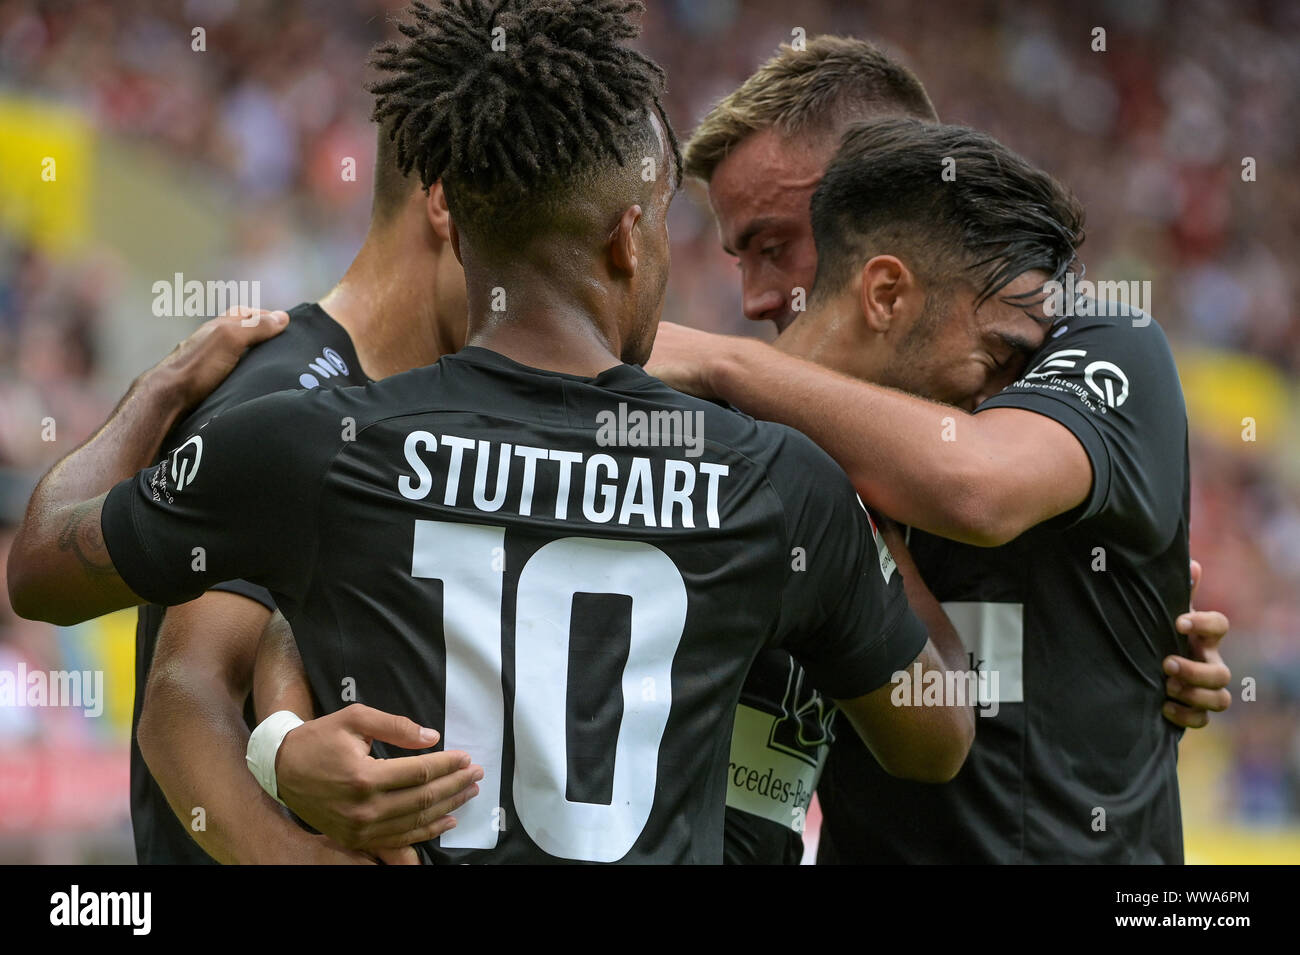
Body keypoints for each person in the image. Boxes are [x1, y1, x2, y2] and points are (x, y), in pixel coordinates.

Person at [7, 0, 973, 864]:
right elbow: (939, 736)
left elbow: (46, 566)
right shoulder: (773, 479)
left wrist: (153, 391)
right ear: (628, 238)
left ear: (457, 220)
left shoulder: (317, 443)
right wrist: (877, 517)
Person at [651, 41, 1230, 862]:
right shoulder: (763, 437)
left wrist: (727, 363)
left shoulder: (1092, 340)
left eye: (774, 244)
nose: (752, 301)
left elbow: (978, 485)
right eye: (739, 259)